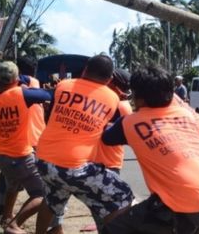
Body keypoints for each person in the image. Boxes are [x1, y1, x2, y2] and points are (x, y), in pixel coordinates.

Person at [102, 66, 199, 234]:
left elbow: (106, 138)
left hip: (184, 209)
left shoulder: (129, 123)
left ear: (137, 96)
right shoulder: (185, 114)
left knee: (114, 229)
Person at [34, 55, 134, 234]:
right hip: (74, 167)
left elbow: (53, 115)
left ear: (86, 69)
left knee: (53, 199)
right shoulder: (112, 98)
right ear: (109, 79)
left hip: (43, 160)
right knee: (123, 195)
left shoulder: (64, 86)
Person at [0, 59, 53, 234]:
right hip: (21, 155)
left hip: (1, 154)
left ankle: (6, 216)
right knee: (43, 195)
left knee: (12, 186)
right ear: (16, 80)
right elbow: (47, 95)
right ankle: (13, 225)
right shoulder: (22, 94)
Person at [76, 68, 133, 233]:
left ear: (114, 83)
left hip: (108, 163)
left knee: (107, 209)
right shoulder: (103, 100)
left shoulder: (121, 106)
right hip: (94, 161)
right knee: (99, 207)